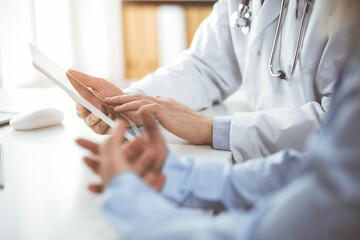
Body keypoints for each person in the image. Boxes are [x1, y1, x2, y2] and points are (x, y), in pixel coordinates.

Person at [76, 1, 360, 238]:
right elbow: (207, 64)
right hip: (277, 177)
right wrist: (133, 101)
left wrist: (126, 198)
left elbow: (334, 138)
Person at [69, 0, 349, 162]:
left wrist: (212, 128)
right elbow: (206, 65)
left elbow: (344, 124)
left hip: (328, 180)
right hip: (263, 170)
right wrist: (134, 102)